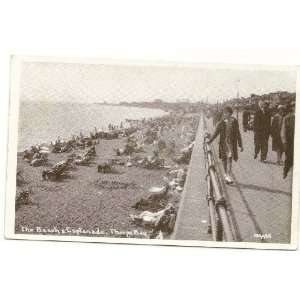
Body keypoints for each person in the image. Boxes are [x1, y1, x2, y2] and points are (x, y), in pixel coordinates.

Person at [208, 106, 243, 184]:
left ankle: (228, 175)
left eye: (226, 113)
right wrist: (210, 141)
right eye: (224, 113)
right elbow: (216, 133)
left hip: (231, 144)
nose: (225, 114)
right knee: (224, 159)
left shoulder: (234, 121)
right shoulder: (221, 122)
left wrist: (241, 144)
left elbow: (238, 133)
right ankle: (226, 174)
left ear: (230, 113)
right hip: (223, 144)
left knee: (230, 159)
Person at [281, 102, 295, 179]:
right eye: (294, 107)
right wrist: (284, 142)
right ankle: (285, 171)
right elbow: (283, 131)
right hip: (290, 142)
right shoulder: (287, 118)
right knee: (289, 158)